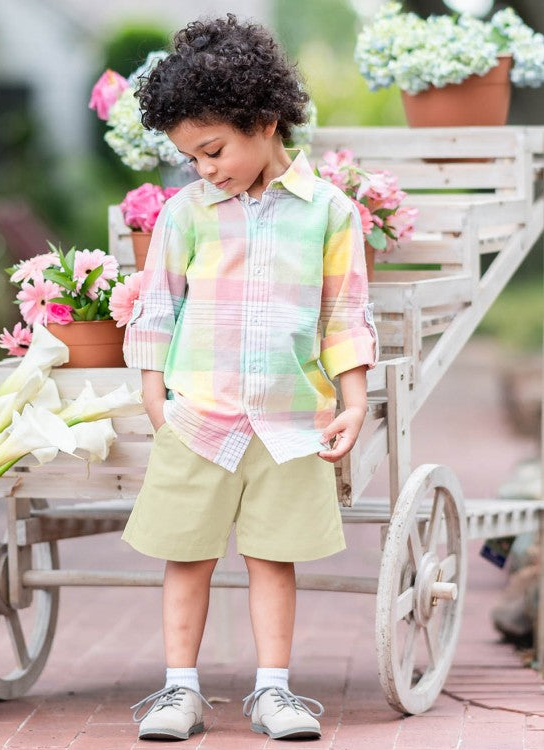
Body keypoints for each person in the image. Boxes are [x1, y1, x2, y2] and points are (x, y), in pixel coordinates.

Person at [121, 13, 378, 742]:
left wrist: (351, 402)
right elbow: (158, 308)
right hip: (198, 416)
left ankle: (273, 692)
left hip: (291, 419)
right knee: (188, 555)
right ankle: (179, 691)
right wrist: (155, 399)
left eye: (212, 150)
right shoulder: (186, 214)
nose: (204, 169)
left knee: (273, 558)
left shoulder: (329, 213)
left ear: (265, 121)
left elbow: (343, 315)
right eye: (189, 158)